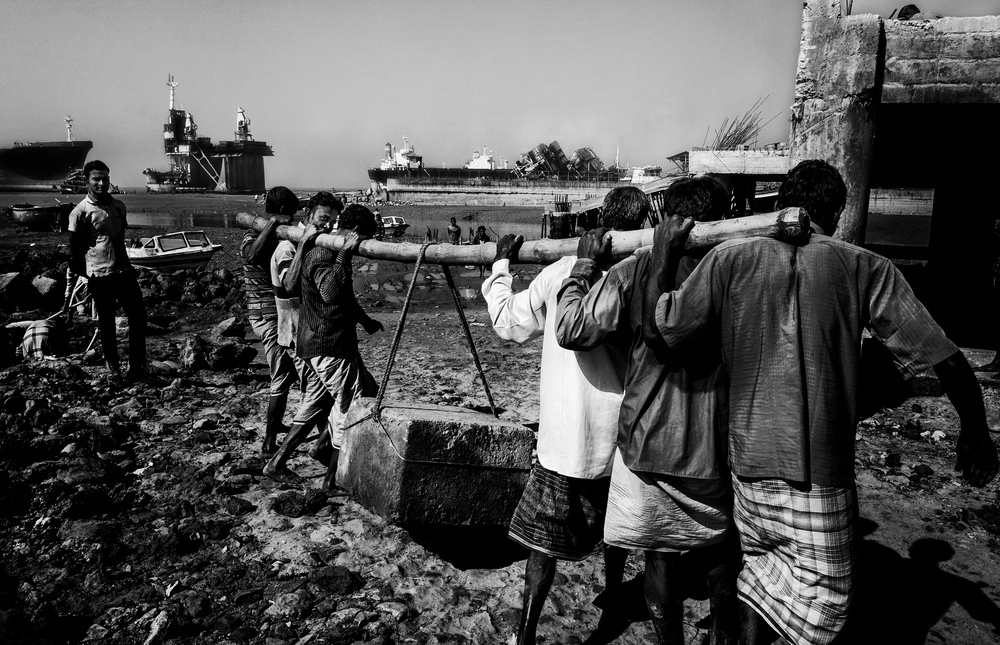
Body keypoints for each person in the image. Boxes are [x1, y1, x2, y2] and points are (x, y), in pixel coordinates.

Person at [641, 159, 1000, 645]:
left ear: (781, 202)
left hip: (748, 468)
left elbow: (661, 334)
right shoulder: (865, 265)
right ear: (838, 210)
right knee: (823, 609)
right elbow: (947, 359)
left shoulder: (730, 259)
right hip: (819, 475)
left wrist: (663, 256)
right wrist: (975, 431)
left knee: (761, 579)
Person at [555, 177, 739, 645]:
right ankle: (721, 633)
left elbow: (572, 328)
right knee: (721, 548)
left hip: (650, 437)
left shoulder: (636, 270)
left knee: (661, 556)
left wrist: (581, 269)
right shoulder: (743, 267)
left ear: (662, 221)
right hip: (717, 442)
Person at [482, 186, 649, 645]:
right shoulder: (650, 274)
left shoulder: (561, 272)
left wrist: (501, 265)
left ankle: (527, 633)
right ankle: (614, 600)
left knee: (543, 543)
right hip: (624, 433)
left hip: (566, 437)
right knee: (616, 531)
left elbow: (508, 322)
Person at [264, 202, 383, 489]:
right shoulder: (323, 253)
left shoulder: (329, 252)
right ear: (355, 232)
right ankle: (331, 480)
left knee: (316, 404)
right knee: (353, 404)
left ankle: (277, 463)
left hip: (319, 343)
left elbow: (344, 296)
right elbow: (330, 292)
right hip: (327, 344)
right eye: (363, 237)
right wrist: (345, 253)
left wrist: (364, 320)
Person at [270, 191, 343, 473]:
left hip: (310, 333)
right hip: (299, 336)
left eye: (332, 223)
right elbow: (289, 285)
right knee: (316, 396)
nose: (327, 227)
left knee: (324, 395)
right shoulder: (288, 247)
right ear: (308, 216)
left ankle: (323, 447)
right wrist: (305, 245)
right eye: (324, 220)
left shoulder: (309, 244)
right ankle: (279, 461)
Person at [68, 160, 147, 386]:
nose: (102, 183)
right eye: (96, 179)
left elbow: (119, 237)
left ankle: (137, 366)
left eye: (105, 178)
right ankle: (113, 370)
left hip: (124, 272)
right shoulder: (79, 213)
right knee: (107, 323)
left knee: (139, 317)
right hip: (99, 276)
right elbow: (76, 252)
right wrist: (88, 276)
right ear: (87, 181)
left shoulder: (119, 206)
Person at [241, 186, 301, 456]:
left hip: (277, 314)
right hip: (267, 316)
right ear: (281, 212)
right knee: (281, 378)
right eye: (291, 213)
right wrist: (275, 224)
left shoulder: (273, 238)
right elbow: (252, 255)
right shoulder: (252, 237)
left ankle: (275, 428)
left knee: (286, 375)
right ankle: (268, 444)